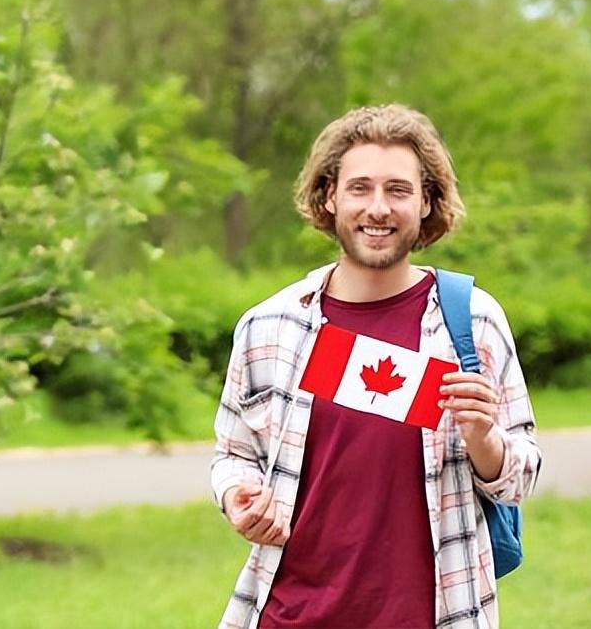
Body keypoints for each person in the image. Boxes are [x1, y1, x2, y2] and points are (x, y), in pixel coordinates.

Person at [211, 104, 542, 629]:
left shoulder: (473, 321)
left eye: (399, 190)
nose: (379, 208)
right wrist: (238, 497)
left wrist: (485, 439)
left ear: (427, 201)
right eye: (360, 188)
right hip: (288, 614)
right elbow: (232, 455)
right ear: (330, 196)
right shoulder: (268, 326)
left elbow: (522, 477)